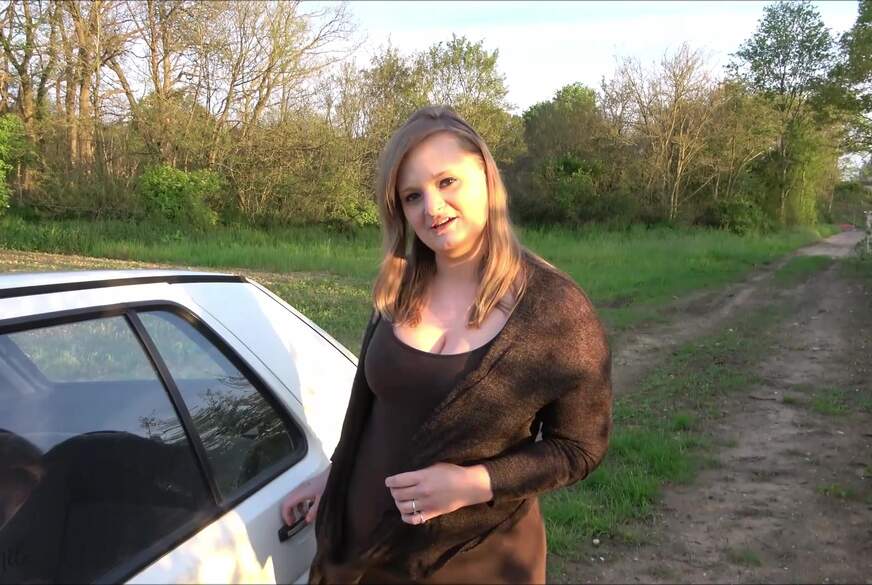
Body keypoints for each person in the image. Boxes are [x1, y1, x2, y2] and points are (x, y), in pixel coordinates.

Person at [280, 106, 613, 584]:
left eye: (447, 181)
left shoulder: (557, 312)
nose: (432, 209)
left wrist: (475, 483)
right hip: (360, 555)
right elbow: (370, 407)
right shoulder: (398, 290)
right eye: (412, 196)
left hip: (475, 563)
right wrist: (334, 473)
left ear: (487, 177)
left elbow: (579, 449)